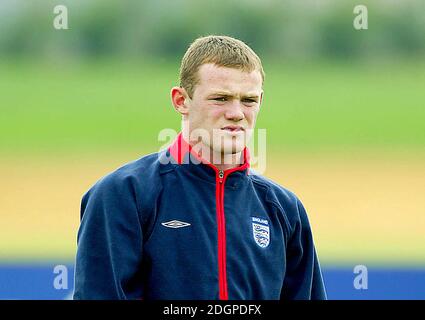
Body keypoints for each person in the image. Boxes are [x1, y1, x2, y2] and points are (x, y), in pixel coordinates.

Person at [73, 35, 327, 300]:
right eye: (221, 98)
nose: (237, 113)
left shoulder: (284, 209)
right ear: (181, 100)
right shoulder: (123, 194)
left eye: (249, 100)